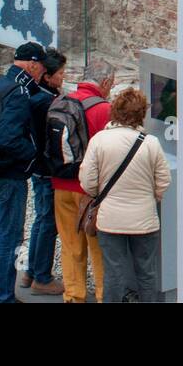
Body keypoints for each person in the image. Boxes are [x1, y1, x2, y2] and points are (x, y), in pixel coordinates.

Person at [80, 87, 172, 303]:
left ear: (115, 111)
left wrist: (99, 194)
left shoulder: (100, 140)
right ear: (141, 113)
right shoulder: (151, 143)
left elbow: (87, 181)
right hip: (145, 220)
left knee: (114, 273)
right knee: (146, 273)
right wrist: (153, 197)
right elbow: (164, 180)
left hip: (110, 220)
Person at [0, 42, 47, 304]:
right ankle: (1, 297)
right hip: (6, 174)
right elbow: (7, 137)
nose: (41, 75)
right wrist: (32, 155)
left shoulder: (0, 84)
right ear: (33, 65)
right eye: (41, 69)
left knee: (4, 229)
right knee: (10, 234)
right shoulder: (18, 92)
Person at [50, 59, 114, 303]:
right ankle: (102, 295)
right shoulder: (103, 109)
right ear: (105, 82)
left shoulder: (61, 102)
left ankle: (74, 296)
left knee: (70, 244)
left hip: (61, 184)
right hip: (89, 191)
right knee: (98, 247)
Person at [18, 47, 67, 296]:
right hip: (46, 169)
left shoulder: (35, 95)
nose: (63, 78)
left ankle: (31, 272)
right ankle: (42, 277)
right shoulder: (47, 102)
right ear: (48, 76)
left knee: (41, 219)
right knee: (48, 222)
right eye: (60, 74)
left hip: (37, 168)